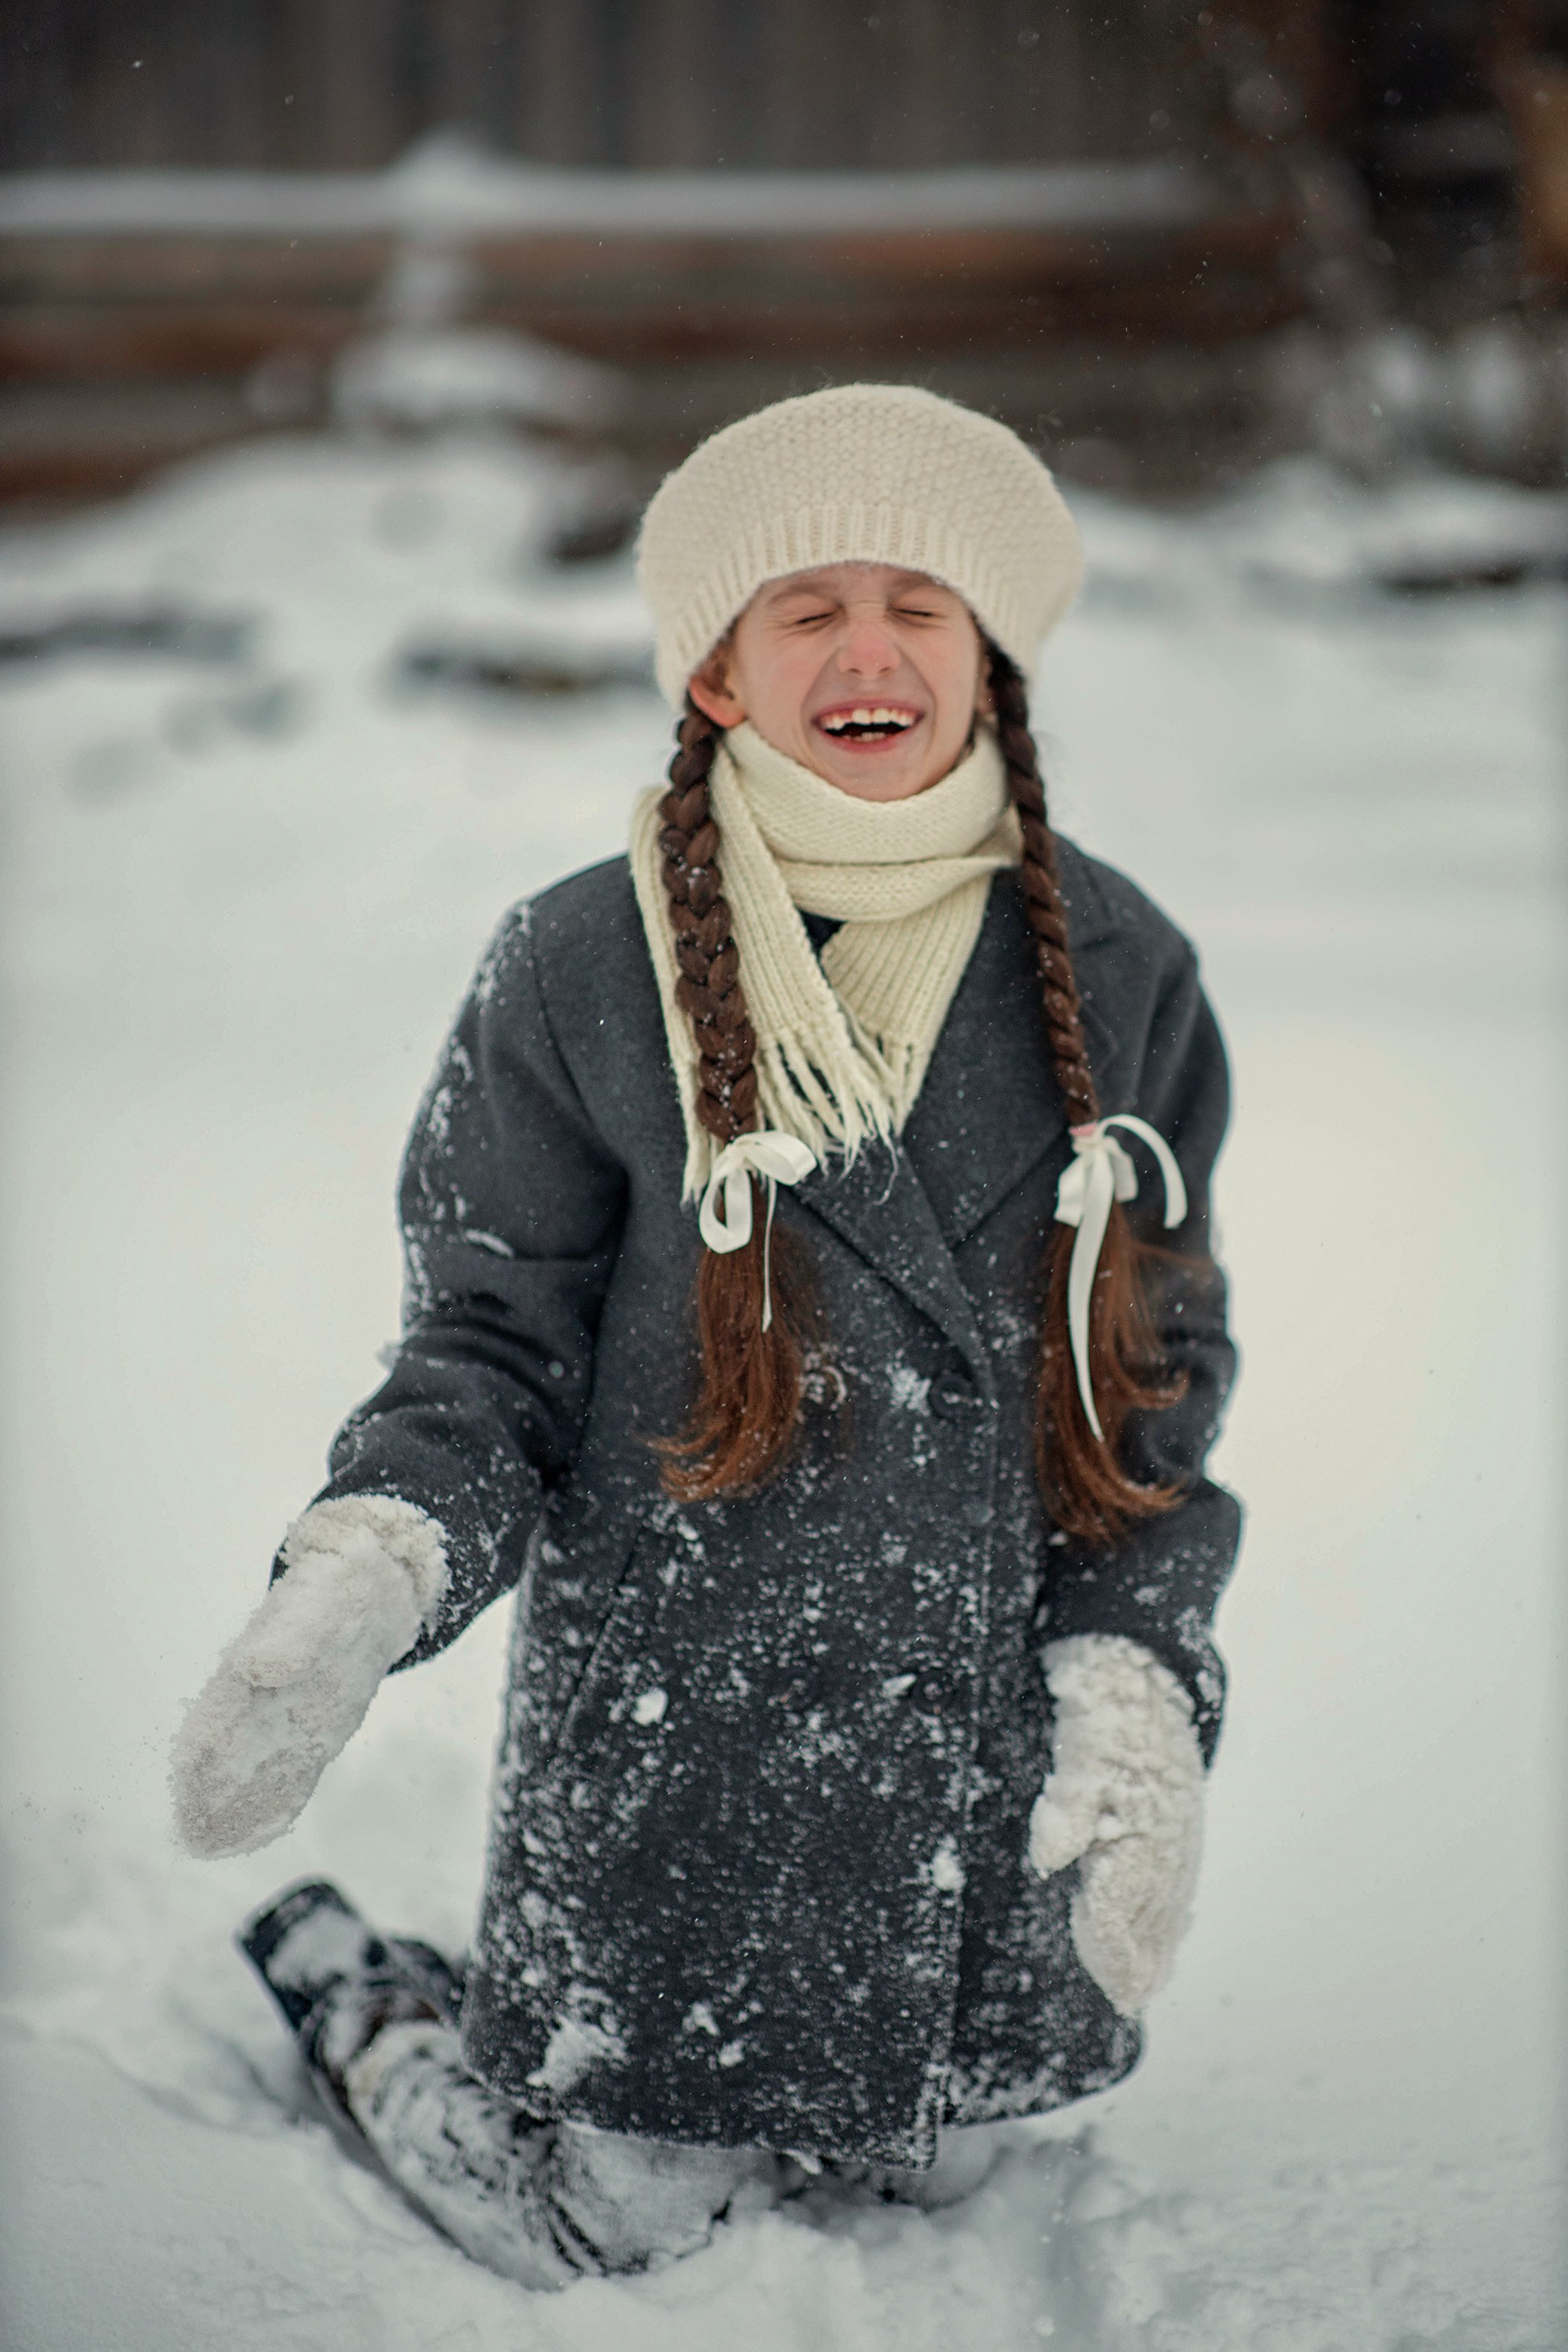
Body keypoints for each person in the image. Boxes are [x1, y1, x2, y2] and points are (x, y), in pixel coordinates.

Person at [171, 384, 1240, 2289]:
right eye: (804, 608)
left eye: (918, 604)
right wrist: (372, 1565)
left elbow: (1150, 1389)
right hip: (682, 1743)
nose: (867, 649)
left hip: (964, 1756)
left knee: (937, 2181)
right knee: (612, 2228)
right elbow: (489, 1345)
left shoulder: (1123, 968)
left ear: (988, 661)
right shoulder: (580, 966)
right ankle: (370, 2005)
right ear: (721, 676)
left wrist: (1136, 1684)